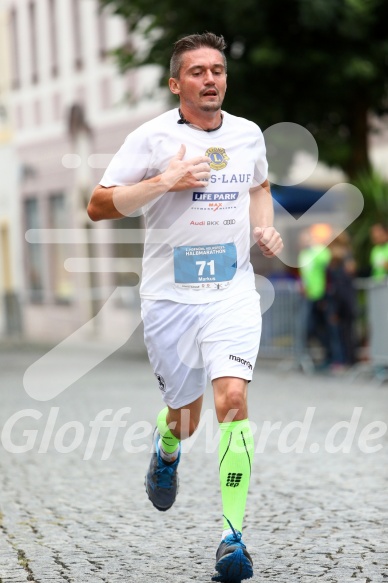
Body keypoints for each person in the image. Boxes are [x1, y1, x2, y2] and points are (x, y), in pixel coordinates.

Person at [87, 32, 283, 583]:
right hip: (170, 297)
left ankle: (232, 539)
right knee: (186, 416)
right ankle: (168, 447)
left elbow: (260, 184)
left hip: (232, 292)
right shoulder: (149, 138)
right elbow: (98, 205)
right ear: (177, 84)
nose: (211, 79)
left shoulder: (246, 135)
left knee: (233, 399)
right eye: (197, 71)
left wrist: (263, 225)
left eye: (218, 69)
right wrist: (163, 180)